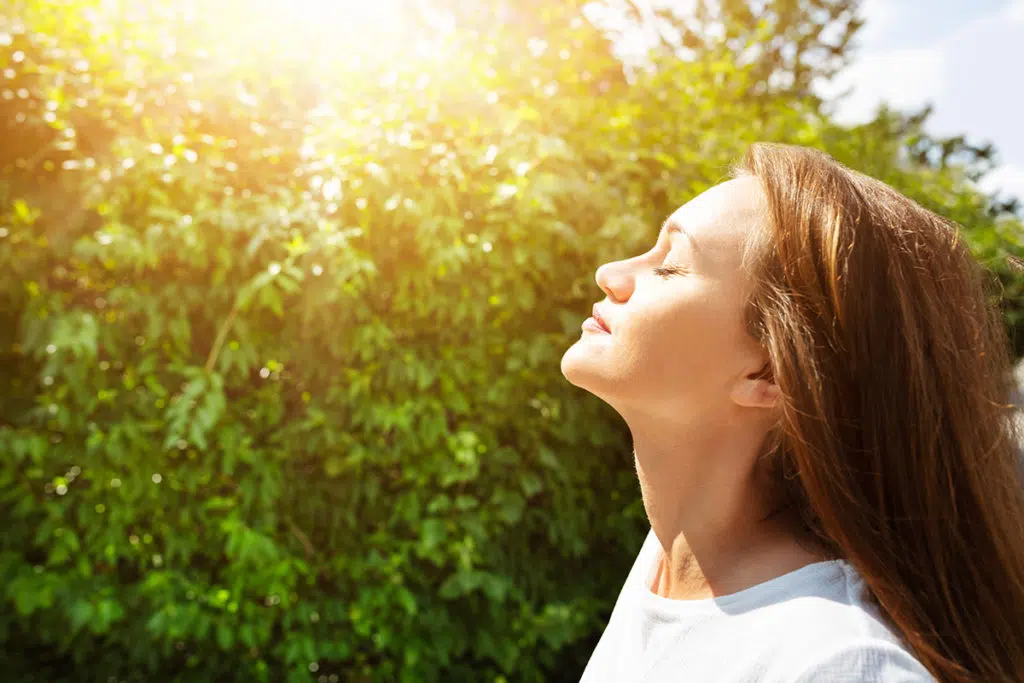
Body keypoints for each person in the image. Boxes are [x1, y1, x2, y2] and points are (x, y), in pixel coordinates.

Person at [561, 143, 1024, 683]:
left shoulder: (840, 665)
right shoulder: (674, 560)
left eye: (669, 266)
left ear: (769, 374)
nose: (609, 272)